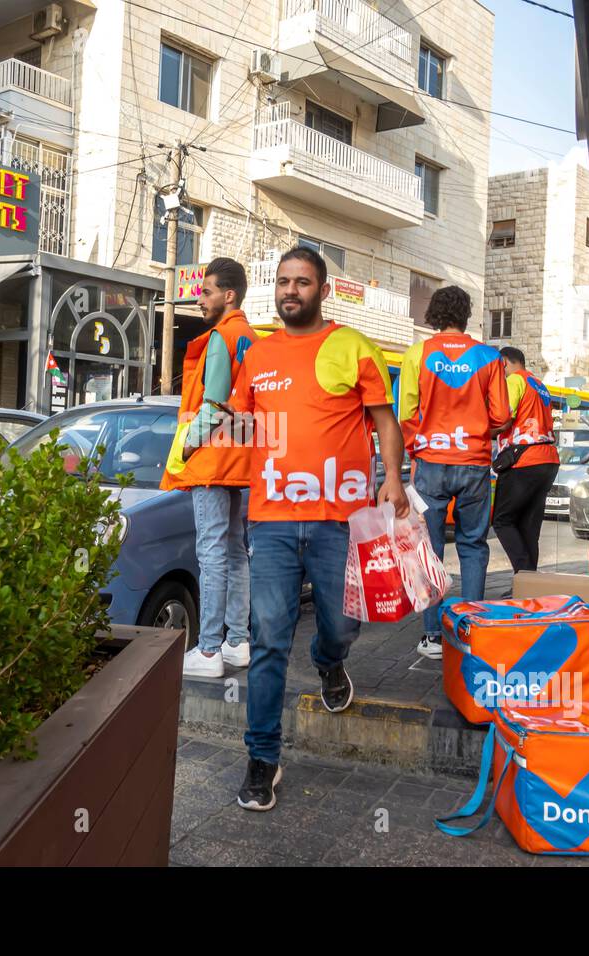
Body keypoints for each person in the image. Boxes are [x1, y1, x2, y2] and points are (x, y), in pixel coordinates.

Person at [218, 246, 408, 812]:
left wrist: (391, 478)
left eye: (301, 282)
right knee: (270, 638)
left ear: (323, 290)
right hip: (273, 520)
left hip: (338, 519)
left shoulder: (352, 345)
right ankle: (262, 758)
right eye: (282, 282)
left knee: (342, 623)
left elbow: (384, 421)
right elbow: (241, 425)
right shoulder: (256, 354)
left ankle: (329, 661)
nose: (290, 291)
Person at [397, 286, 511, 660]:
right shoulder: (488, 357)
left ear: (433, 314)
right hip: (475, 464)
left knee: (428, 550)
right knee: (473, 545)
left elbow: (406, 415)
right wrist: (475, 431)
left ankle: (432, 636)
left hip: (431, 464)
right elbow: (501, 418)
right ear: (466, 315)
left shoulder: (418, 354)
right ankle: (472, 630)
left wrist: (422, 446)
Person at [161, 258, 257, 678]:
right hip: (239, 458)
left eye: (207, 292)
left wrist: (185, 446)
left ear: (228, 295)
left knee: (212, 553)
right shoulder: (250, 337)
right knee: (235, 552)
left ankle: (209, 649)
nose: (200, 300)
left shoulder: (222, 336)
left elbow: (214, 404)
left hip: (212, 460)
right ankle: (237, 642)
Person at [491, 346, 560, 572]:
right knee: (529, 527)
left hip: (524, 460)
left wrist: (478, 432)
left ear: (504, 362)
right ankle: (530, 584)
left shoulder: (514, 381)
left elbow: (503, 418)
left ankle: (523, 573)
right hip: (547, 459)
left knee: (502, 520)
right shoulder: (539, 385)